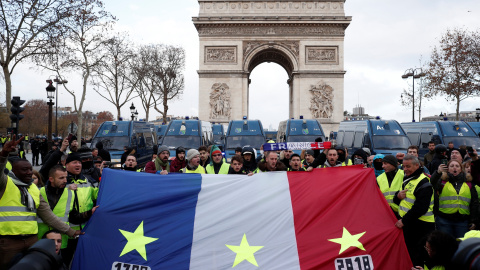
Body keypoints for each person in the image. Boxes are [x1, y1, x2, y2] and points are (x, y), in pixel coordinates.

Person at [0, 136, 82, 269]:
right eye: (24, 170)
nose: (29, 172)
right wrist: (3, 154)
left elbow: (48, 216)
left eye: (30, 169)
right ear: (13, 172)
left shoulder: (33, 188)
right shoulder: (4, 183)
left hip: (32, 240)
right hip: (9, 242)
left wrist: (71, 232)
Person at [37, 166, 98, 257]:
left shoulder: (70, 193)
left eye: (66, 177)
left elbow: (73, 216)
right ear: (51, 179)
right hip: (41, 240)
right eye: (61, 178)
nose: (65, 180)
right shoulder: (38, 192)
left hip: (61, 242)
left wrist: (89, 213)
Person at [394, 155, 435, 266]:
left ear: (417, 165)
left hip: (422, 226)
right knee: (410, 255)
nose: (405, 169)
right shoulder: (408, 178)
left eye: (408, 166)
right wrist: (397, 197)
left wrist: (404, 221)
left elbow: (420, 208)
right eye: (404, 166)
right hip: (411, 224)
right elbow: (403, 200)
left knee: (418, 257)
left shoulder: (424, 182)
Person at [431, 159, 479, 238]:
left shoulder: (469, 184)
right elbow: (432, 183)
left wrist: (473, 221)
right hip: (444, 220)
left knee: (461, 245)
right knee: (445, 244)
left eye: (457, 166)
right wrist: (438, 172)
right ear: (448, 169)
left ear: (461, 169)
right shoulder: (442, 182)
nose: (454, 168)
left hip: (462, 221)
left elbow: (474, 203)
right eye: (452, 166)